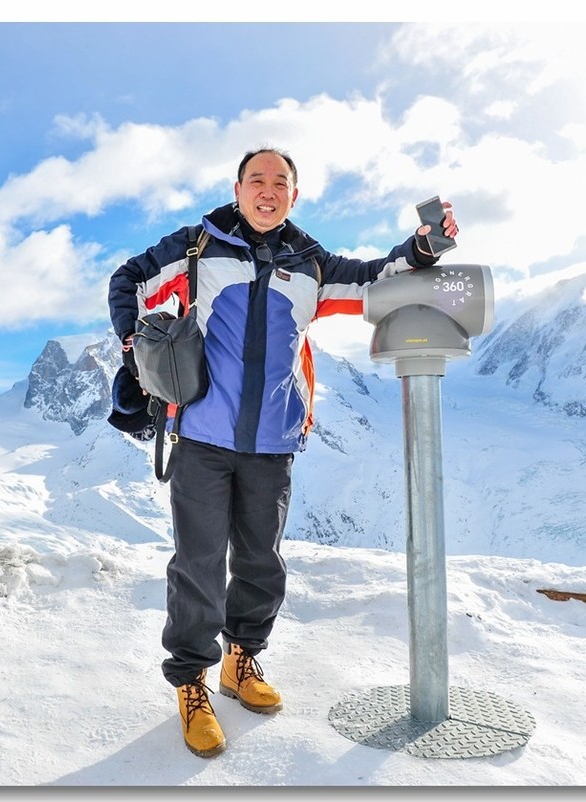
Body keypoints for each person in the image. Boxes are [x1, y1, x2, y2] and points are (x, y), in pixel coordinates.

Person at [107, 147, 458, 758]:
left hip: (274, 440)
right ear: (237, 188)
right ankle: (191, 683)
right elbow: (129, 279)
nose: (267, 190)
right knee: (197, 563)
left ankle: (241, 661)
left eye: (280, 182)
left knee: (261, 561)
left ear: (294, 195)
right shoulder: (197, 246)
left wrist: (423, 248)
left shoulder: (311, 264)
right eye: (256, 180)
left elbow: (378, 278)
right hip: (203, 437)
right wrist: (135, 341)